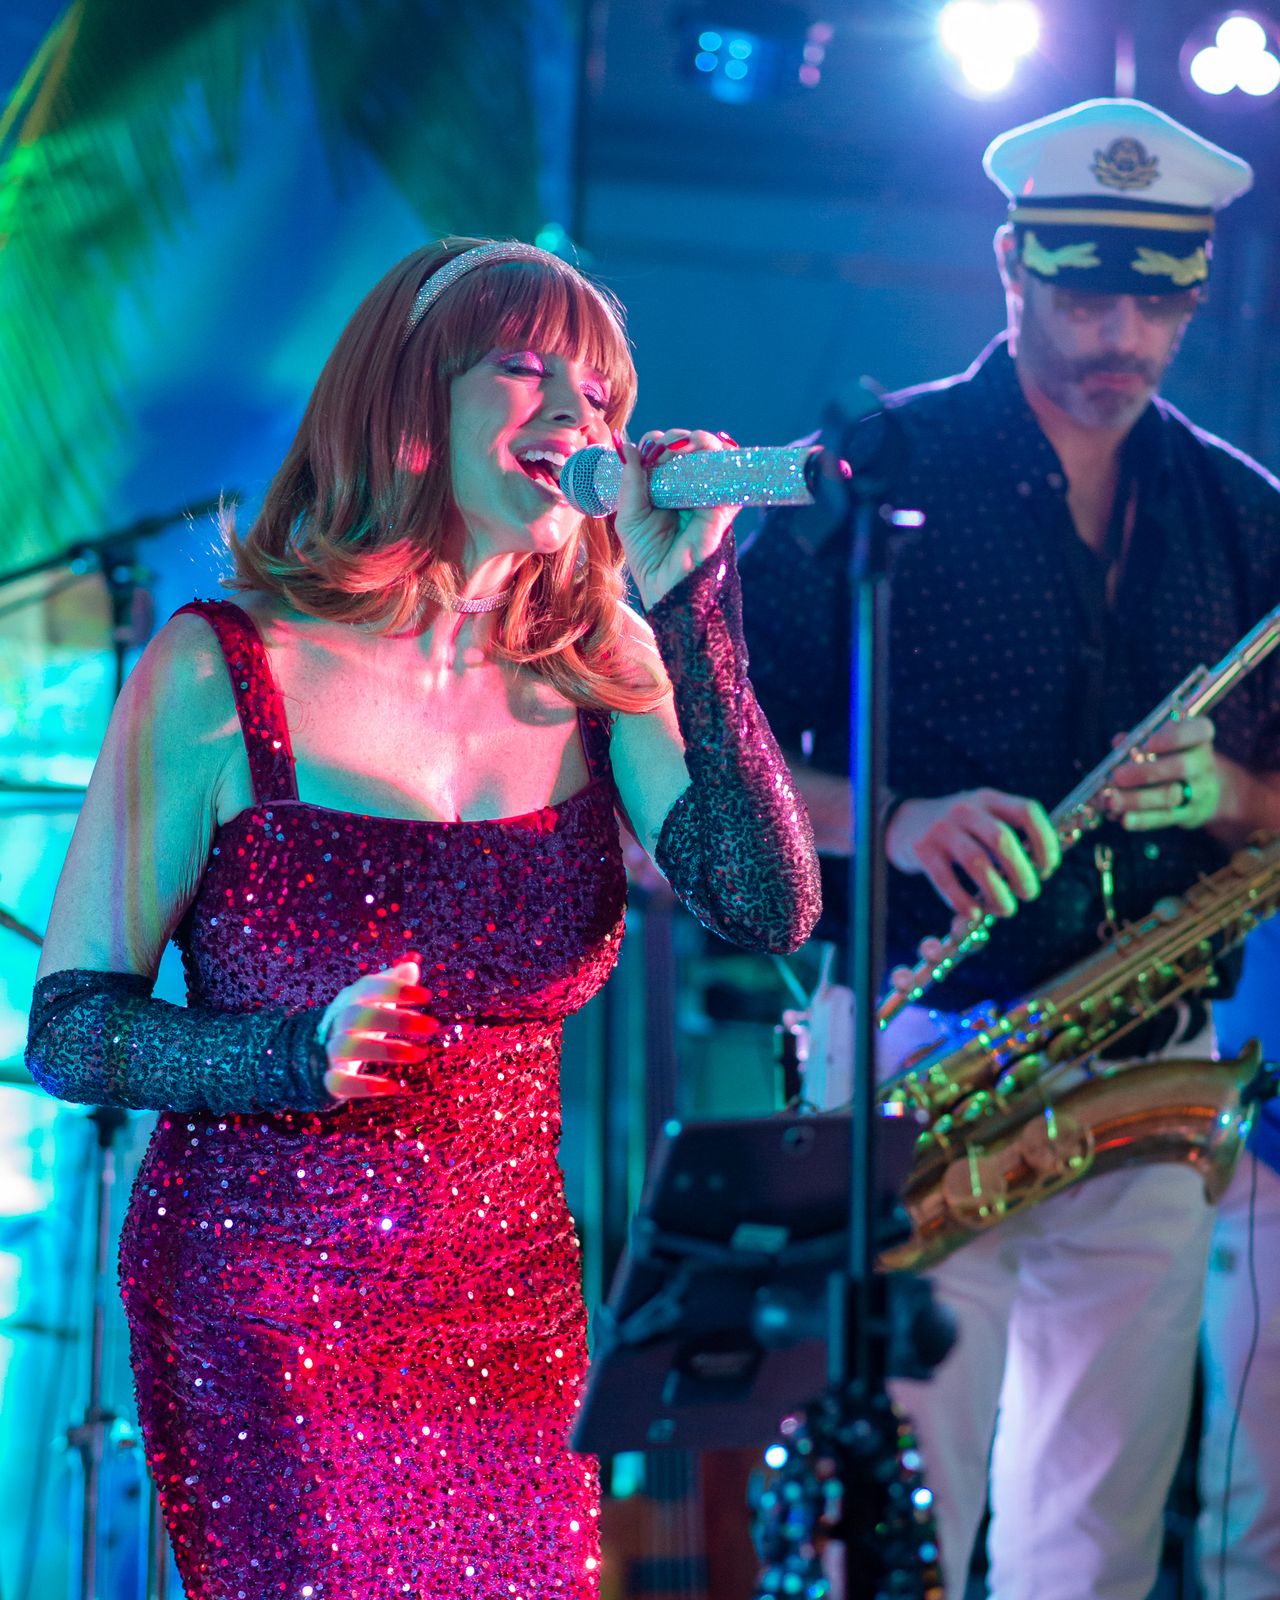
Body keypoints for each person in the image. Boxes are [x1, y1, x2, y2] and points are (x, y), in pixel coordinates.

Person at [25, 237, 821, 1600]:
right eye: (524, 371)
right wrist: (287, 1056)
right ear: (407, 400)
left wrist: (696, 605)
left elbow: (768, 905)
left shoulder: (601, 666)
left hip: (513, 1316)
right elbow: (71, 1028)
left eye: (602, 393)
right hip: (266, 1305)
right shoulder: (221, 667)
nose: (578, 416)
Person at [740, 101, 1280, 1600]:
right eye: (1085, 297)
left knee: (1093, 1555)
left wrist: (1230, 793)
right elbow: (704, 767)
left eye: (1159, 305)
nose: (1123, 337)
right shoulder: (867, 469)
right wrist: (895, 820)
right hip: (918, 1049)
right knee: (888, 1535)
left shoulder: (1244, 516)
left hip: (1146, 1072)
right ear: (1008, 265)